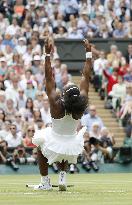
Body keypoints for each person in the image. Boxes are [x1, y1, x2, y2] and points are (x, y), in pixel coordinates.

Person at [32, 38, 94, 191]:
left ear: (64, 95)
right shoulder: (82, 103)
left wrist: (47, 54)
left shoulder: (55, 103)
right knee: (63, 150)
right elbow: (86, 76)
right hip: (71, 141)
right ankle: (62, 177)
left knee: (40, 145)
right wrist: (88, 53)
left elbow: (48, 77)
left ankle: (45, 182)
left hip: (56, 137)